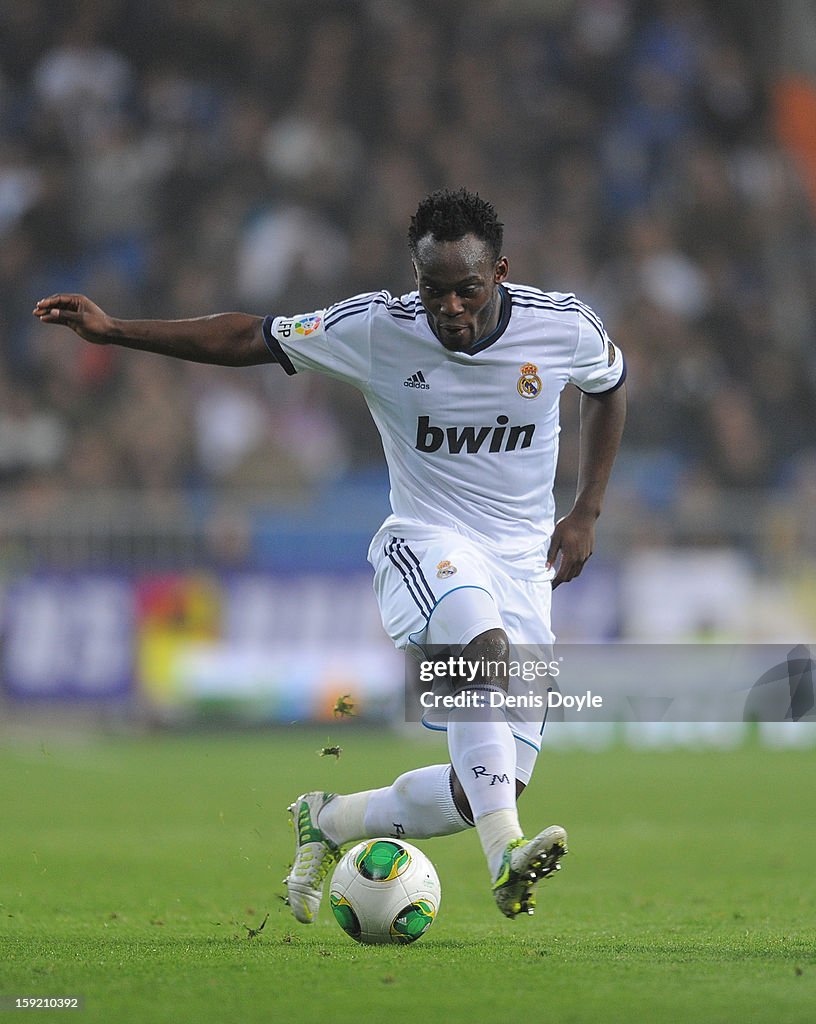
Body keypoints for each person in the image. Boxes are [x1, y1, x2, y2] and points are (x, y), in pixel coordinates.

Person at [34, 187, 626, 921]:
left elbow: (608, 385)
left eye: (466, 290)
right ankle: (505, 852)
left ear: (499, 271)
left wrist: (585, 510)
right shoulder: (377, 328)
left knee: (478, 788)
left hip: (523, 565)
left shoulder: (559, 326)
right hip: (427, 543)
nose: (448, 308)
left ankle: (329, 819)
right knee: (481, 646)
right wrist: (116, 330)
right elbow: (249, 337)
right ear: (415, 278)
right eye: (432, 290)